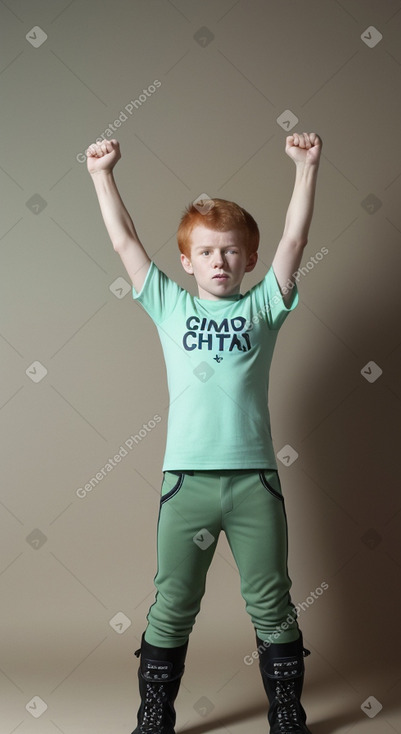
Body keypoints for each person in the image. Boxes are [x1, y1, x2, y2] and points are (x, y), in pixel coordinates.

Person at [86, 131, 322, 734]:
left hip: (254, 483)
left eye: (233, 252)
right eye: (208, 253)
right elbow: (124, 242)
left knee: (272, 605)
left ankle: (288, 713)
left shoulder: (265, 306)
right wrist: (101, 175)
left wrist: (304, 168)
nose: (220, 261)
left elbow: (295, 240)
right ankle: (154, 715)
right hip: (186, 483)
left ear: (249, 259)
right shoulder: (169, 304)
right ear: (187, 262)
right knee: (173, 606)